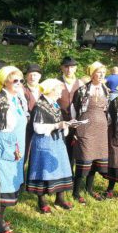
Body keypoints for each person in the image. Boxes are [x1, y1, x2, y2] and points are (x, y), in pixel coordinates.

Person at [0, 67, 27, 233]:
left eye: (20, 80)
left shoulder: (16, 99)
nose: (19, 84)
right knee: (3, 187)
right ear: (4, 82)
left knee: (11, 183)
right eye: (14, 81)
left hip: (16, 148)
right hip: (2, 149)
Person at [26, 79, 73, 212]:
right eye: (59, 90)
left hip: (57, 142)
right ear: (51, 90)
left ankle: (60, 198)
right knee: (43, 169)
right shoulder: (40, 106)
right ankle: (42, 201)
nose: (61, 92)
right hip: (44, 142)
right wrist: (57, 125)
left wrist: (65, 126)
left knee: (61, 167)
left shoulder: (55, 104)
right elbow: (37, 128)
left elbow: (58, 121)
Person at [72, 61, 110, 203]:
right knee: (84, 158)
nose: (101, 75)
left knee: (95, 159)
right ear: (92, 73)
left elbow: (108, 110)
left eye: (103, 73)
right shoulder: (82, 90)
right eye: (98, 72)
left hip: (100, 129)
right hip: (85, 127)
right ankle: (76, 192)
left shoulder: (106, 90)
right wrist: (76, 127)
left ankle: (89, 189)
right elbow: (74, 109)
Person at [58, 56, 84, 166]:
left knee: (73, 150)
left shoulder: (81, 84)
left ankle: (70, 176)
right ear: (62, 68)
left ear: (76, 68)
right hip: (59, 121)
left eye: (72, 67)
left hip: (75, 122)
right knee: (59, 149)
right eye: (66, 67)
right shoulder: (56, 82)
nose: (69, 70)